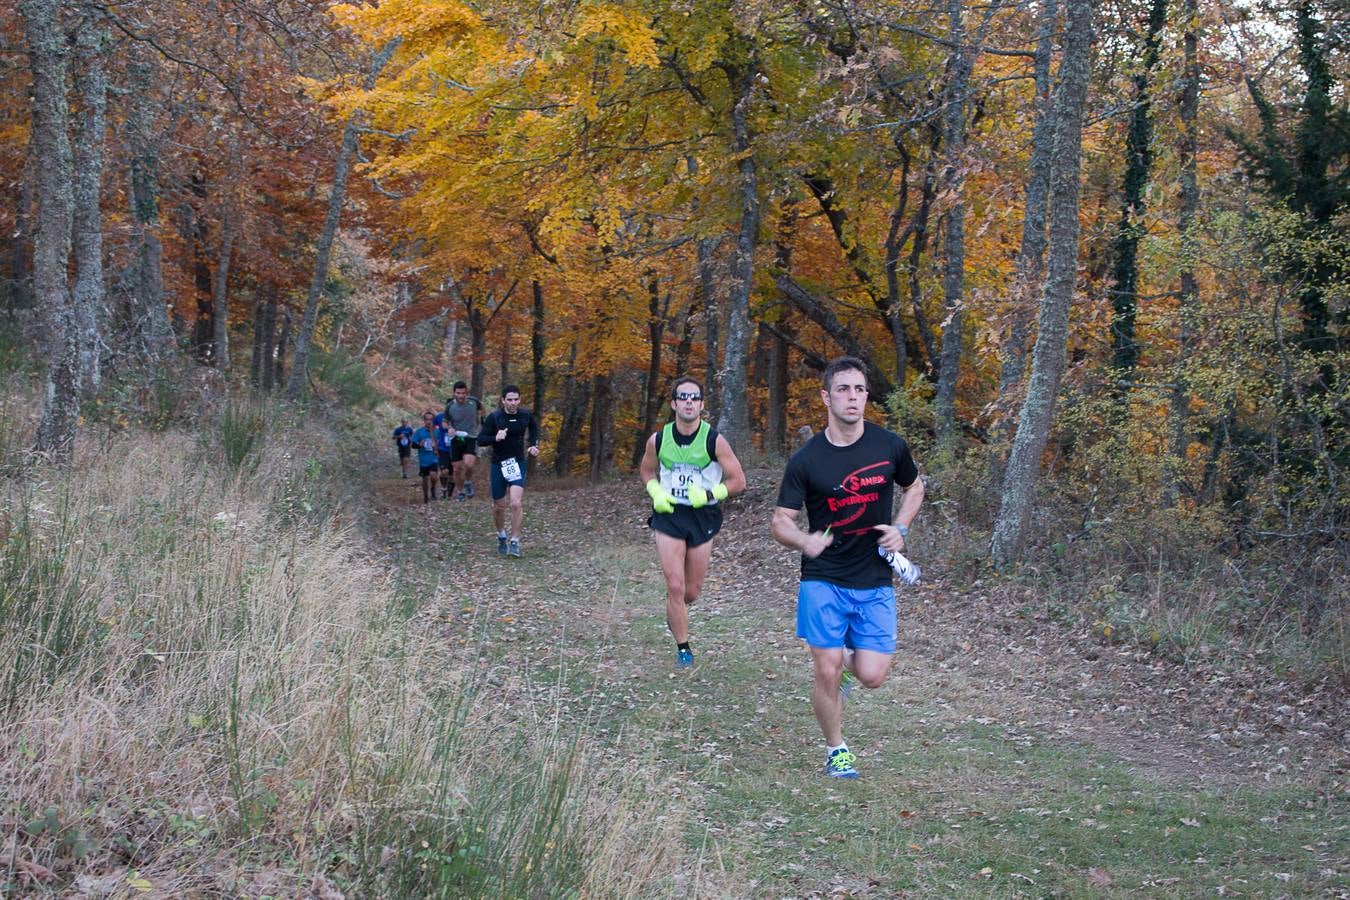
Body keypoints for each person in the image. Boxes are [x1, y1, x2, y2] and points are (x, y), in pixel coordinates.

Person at [770, 356, 925, 779]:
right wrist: (805, 541)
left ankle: (841, 655)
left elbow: (914, 487)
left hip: (875, 576)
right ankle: (837, 750)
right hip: (824, 578)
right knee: (826, 668)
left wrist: (901, 528)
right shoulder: (807, 459)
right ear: (826, 396)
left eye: (859, 390)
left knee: (872, 676)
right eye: (843, 389)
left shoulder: (888, 445)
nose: (853, 397)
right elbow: (780, 520)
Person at [638, 377, 746, 668]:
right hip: (670, 513)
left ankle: (676, 612)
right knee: (674, 585)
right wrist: (655, 491)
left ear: (701, 405)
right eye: (682, 397)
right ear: (673, 403)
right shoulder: (658, 439)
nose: (688, 402)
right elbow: (647, 471)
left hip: (703, 515)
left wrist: (711, 493)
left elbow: (738, 480)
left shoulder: (714, 440)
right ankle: (683, 649)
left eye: (694, 397)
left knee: (690, 592)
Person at [477, 386, 540, 557]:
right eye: (509, 399)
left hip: (517, 463)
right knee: (499, 506)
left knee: (515, 503)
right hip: (498, 465)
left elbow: (534, 428)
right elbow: (480, 440)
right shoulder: (495, 418)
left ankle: (515, 541)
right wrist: (495, 438)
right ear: (503, 400)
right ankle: (501, 535)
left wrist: (534, 445)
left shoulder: (525, 415)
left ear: (519, 400)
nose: (513, 403)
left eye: (516, 399)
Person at [444, 381, 483, 500]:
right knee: (456, 469)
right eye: (458, 393)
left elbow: (482, 409)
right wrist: (449, 428)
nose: (461, 396)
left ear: (467, 393)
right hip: (457, 438)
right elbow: (444, 422)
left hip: (471, 437)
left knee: (469, 464)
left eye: (463, 393)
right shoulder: (450, 406)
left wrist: (483, 422)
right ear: (454, 393)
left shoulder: (474, 402)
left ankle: (468, 482)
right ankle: (460, 492)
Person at [411, 411, 441, 503]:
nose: (429, 421)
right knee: (425, 479)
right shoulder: (419, 432)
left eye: (431, 419)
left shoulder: (437, 432)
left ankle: (432, 489)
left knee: (433, 476)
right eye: (427, 419)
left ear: (433, 421)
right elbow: (413, 445)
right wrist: (420, 444)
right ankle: (425, 496)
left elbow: (442, 444)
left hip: (434, 458)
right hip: (423, 460)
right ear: (424, 420)